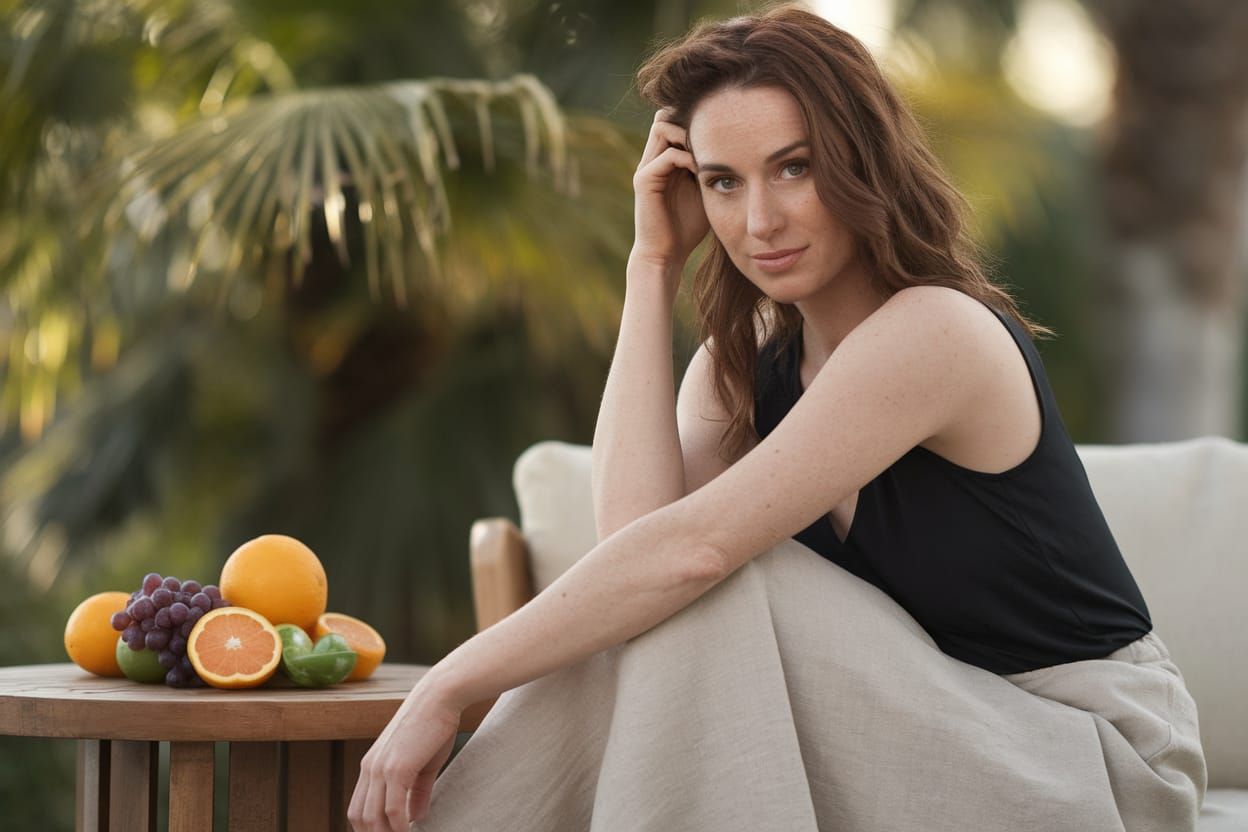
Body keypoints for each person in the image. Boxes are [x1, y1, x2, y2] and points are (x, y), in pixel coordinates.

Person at [348, 5, 1208, 831]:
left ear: (863, 163)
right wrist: (651, 264)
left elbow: (686, 555)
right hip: (921, 724)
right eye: (723, 182)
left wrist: (449, 683)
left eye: (794, 167)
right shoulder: (744, 362)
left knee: (715, 577)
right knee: (662, 586)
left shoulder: (936, 332)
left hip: (1089, 760)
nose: (759, 222)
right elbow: (634, 543)